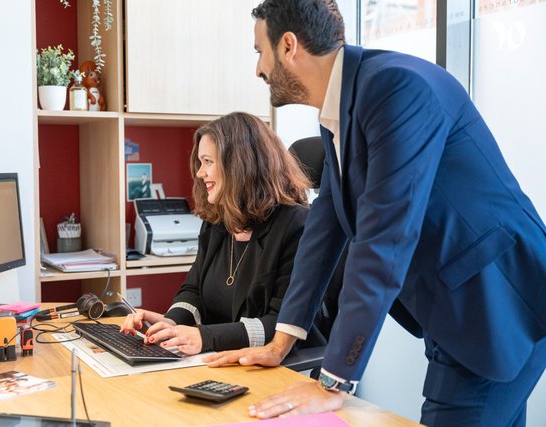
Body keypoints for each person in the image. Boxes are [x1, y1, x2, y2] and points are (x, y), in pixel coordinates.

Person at [204, 1, 546, 426]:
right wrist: (282, 340)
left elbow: (384, 238)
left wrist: (333, 382)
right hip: (455, 309)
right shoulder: (342, 109)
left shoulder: (395, 89)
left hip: (499, 306)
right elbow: (325, 226)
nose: (258, 69)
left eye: (260, 51)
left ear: (288, 46)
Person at [121, 111, 326, 355]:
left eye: (208, 162)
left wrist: (205, 338)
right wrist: (172, 322)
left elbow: (280, 324)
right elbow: (193, 290)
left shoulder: (296, 225)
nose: (200, 172)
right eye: (200, 162)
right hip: (225, 359)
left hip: (280, 368)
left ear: (239, 165)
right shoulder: (219, 220)